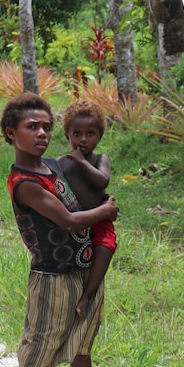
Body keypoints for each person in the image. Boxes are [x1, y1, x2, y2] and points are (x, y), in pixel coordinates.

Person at [0, 93, 119, 367]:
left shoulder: (54, 166)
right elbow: (69, 220)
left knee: (82, 349)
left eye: (46, 127)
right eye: (31, 127)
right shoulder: (24, 182)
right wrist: (105, 211)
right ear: (10, 133)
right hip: (51, 279)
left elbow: (90, 190)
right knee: (36, 354)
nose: (41, 133)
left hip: (83, 273)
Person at [57, 99, 117, 318]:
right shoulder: (61, 163)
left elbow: (102, 182)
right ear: (68, 136)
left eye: (90, 134)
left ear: (99, 136)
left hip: (99, 220)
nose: (83, 139)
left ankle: (88, 295)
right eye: (77, 133)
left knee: (106, 246)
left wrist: (82, 162)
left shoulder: (100, 159)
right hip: (74, 220)